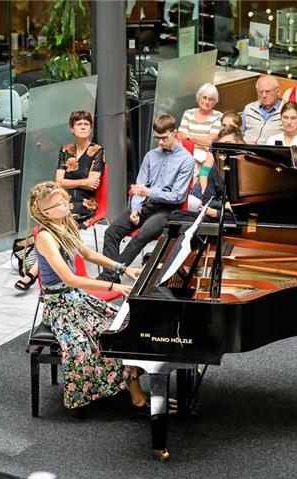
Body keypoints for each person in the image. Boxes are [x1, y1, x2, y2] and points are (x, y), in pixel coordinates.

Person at [27, 181, 148, 410]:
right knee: (99, 337)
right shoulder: (45, 237)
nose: (65, 204)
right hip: (60, 306)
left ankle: (132, 385)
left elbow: (88, 253)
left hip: (75, 297)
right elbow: (69, 279)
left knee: (125, 326)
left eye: (63, 199)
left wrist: (122, 268)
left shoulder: (66, 222)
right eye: (58, 203)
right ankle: (132, 390)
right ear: (44, 213)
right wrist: (112, 287)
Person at [15, 110, 104, 291]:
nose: (83, 127)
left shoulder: (97, 150)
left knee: (58, 220)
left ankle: (29, 262)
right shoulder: (65, 150)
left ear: (91, 128)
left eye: (86, 124)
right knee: (56, 220)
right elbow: (58, 182)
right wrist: (83, 181)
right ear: (72, 128)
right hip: (64, 198)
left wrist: (72, 183)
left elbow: (93, 185)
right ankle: (31, 258)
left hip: (85, 202)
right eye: (79, 124)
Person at [98, 114, 193, 282]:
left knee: (141, 236)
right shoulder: (151, 155)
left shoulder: (186, 160)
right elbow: (139, 185)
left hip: (167, 211)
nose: (161, 143)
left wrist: (148, 193)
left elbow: (178, 197)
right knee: (111, 232)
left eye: (164, 138)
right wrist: (136, 208)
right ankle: (112, 276)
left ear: (175, 133)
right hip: (144, 205)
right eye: (157, 138)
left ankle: (109, 277)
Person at [178, 83, 222, 210]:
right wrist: (199, 141)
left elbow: (210, 142)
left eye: (211, 99)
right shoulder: (188, 113)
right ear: (198, 98)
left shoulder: (218, 116)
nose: (207, 102)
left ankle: (191, 201)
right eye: (204, 97)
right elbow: (181, 137)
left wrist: (190, 137)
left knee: (194, 164)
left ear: (215, 102)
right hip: (188, 152)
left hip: (205, 156)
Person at [266, 102, 297, 170]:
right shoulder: (272, 139)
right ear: (281, 118)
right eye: (285, 117)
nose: (289, 122)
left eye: (293, 118)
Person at [242, 75, 283, 144]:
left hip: (272, 152)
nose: (264, 95)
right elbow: (239, 132)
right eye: (261, 92)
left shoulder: (286, 111)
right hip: (248, 151)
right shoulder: (249, 108)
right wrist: (242, 140)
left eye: (267, 91)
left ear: (278, 91)